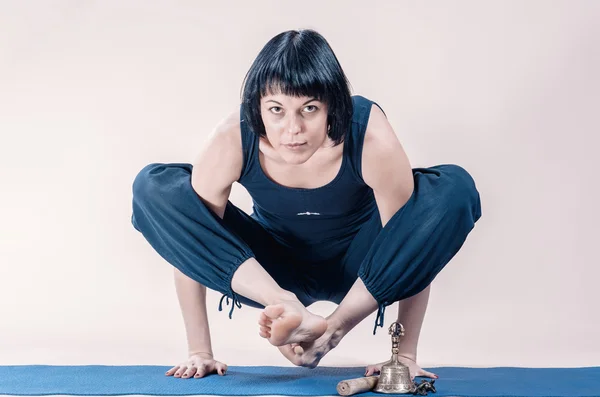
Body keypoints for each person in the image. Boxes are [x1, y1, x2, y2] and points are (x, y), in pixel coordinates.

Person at [131, 29, 482, 381]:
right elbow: (192, 241)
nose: (292, 129)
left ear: (332, 106)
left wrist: (402, 354)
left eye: (309, 109)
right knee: (156, 186)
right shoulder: (231, 139)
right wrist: (200, 351)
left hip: (363, 269)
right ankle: (286, 303)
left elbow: (413, 247)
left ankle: (330, 327)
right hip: (273, 270)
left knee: (452, 188)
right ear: (257, 107)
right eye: (276, 110)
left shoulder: (369, 135)